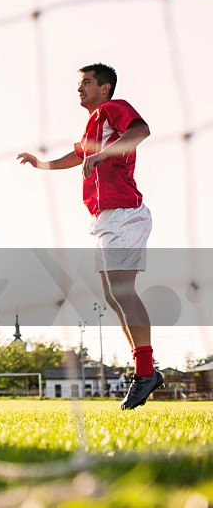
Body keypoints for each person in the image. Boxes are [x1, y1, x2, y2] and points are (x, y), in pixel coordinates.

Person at [17, 63, 160, 410]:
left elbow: (141, 130)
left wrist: (102, 154)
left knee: (122, 291)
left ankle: (146, 373)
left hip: (125, 213)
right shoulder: (94, 125)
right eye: (78, 84)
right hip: (106, 219)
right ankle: (144, 370)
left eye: (86, 83)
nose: (79, 89)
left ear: (105, 87)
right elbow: (77, 154)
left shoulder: (113, 109)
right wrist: (42, 165)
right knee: (113, 296)